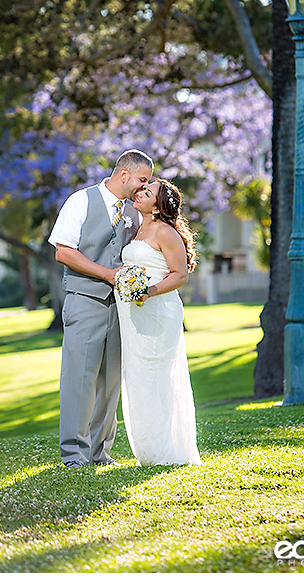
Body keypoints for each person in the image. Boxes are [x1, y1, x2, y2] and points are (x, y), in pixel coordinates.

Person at [48, 149, 153, 467]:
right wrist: (107, 274)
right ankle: (73, 454)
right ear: (125, 174)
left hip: (120, 308)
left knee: (110, 382)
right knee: (80, 378)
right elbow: (64, 252)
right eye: (142, 179)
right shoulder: (81, 201)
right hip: (85, 301)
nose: (144, 187)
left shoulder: (134, 214)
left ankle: (99, 452)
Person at [116, 179, 201, 466]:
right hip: (135, 316)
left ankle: (167, 451)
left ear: (158, 205)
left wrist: (147, 291)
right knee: (138, 378)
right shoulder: (139, 228)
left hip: (158, 312)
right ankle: (148, 451)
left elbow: (179, 275)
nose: (140, 192)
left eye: (147, 192)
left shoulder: (165, 232)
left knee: (157, 378)